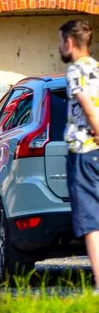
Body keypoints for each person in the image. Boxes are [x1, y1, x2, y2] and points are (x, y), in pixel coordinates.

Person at [60, 19, 99, 290]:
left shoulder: (75, 70)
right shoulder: (97, 68)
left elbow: (86, 105)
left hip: (84, 150)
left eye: (60, 42)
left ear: (69, 43)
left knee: (90, 220)